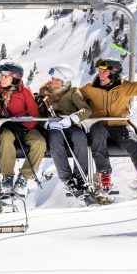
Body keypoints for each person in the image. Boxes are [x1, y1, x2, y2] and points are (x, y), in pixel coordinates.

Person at [80, 57, 137, 194]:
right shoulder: (90, 88)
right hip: (99, 126)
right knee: (96, 133)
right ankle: (104, 173)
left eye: (104, 71)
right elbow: (73, 97)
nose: (100, 74)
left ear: (114, 73)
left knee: (135, 144)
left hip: (120, 127)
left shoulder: (125, 87)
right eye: (99, 70)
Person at [37, 64, 93, 204]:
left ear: (65, 80)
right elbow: (37, 113)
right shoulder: (44, 92)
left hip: (70, 124)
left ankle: (80, 177)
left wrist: (72, 118)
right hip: (53, 126)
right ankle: (67, 178)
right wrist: (46, 123)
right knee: (55, 139)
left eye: (57, 79)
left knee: (80, 138)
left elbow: (86, 110)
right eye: (52, 78)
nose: (53, 81)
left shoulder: (72, 91)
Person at [0, 62, 45, 196]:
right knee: (6, 137)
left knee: (40, 142)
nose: (2, 78)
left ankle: (25, 176)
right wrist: (3, 124)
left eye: (5, 76)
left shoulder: (25, 91)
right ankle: (7, 176)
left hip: (25, 127)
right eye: (1, 75)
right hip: (6, 128)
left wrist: (24, 127)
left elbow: (34, 114)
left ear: (15, 78)